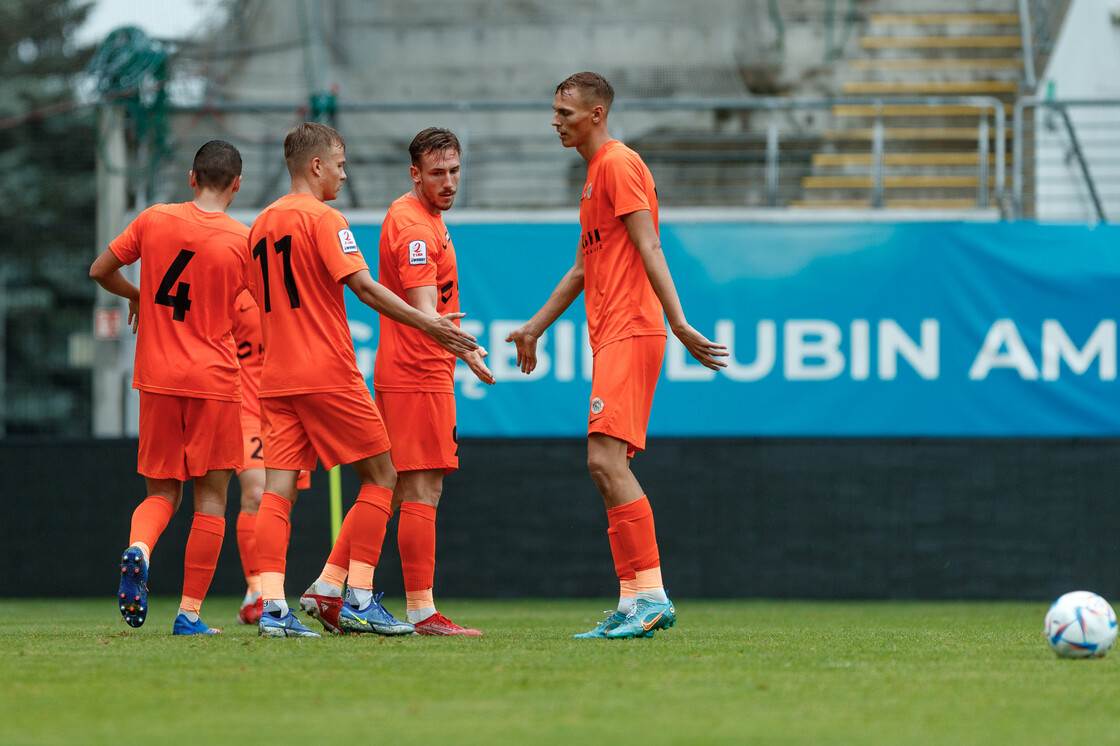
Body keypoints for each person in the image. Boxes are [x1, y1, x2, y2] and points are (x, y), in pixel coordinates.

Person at [505, 73, 728, 639]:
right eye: (553, 111)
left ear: (597, 113)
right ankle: (633, 601)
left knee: (605, 461)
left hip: (633, 327)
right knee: (605, 466)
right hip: (612, 332)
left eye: (565, 112)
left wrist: (678, 322)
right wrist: (533, 327)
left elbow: (650, 243)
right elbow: (585, 267)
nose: (555, 121)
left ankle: (651, 594)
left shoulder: (618, 164)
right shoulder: (592, 176)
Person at [248, 121, 479, 638]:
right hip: (327, 369)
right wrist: (432, 324)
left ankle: (273, 608)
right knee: (384, 476)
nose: (343, 175)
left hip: (276, 374)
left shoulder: (260, 224)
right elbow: (364, 288)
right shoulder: (326, 219)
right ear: (316, 166)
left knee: (276, 492)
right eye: (339, 164)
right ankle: (356, 598)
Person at [90, 139, 249, 636]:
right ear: (237, 185)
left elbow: (99, 271)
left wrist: (138, 294)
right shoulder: (242, 240)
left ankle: (138, 549)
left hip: (156, 379)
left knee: (161, 493)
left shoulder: (154, 219)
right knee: (213, 500)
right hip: (214, 381)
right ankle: (189, 615)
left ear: (191, 177)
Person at [230, 288, 311, 626]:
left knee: (283, 499)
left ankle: (271, 587)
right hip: (246, 408)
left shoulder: (295, 294)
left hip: (290, 409)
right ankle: (256, 590)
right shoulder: (234, 298)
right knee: (256, 493)